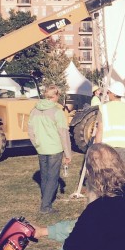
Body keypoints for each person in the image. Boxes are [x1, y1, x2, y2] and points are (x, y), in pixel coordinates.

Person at [27, 86, 72, 214]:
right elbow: (63, 134)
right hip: (54, 148)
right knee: (53, 177)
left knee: (44, 176)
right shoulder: (57, 112)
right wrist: (68, 153)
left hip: (41, 148)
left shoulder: (34, 110)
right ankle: (46, 206)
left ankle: (46, 198)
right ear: (56, 96)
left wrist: (37, 144)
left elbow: (30, 131)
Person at [93, 80, 125, 162]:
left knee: (108, 172)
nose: (107, 94)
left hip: (106, 147)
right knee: (122, 173)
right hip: (124, 146)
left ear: (113, 94)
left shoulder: (103, 108)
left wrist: (96, 149)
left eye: (108, 92)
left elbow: (100, 131)